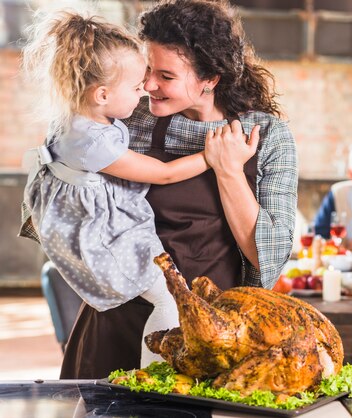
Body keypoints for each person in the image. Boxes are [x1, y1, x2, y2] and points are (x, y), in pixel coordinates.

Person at [58, 0, 297, 378]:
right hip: (118, 321)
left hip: (210, 332)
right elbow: (65, 189)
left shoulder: (265, 136)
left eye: (166, 76)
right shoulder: (127, 119)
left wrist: (229, 169)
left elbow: (267, 256)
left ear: (210, 79)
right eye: (147, 70)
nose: (149, 85)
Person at [19, 11, 219, 367]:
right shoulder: (92, 141)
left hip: (93, 220)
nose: (145, 92)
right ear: (102, 93)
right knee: (167, 300)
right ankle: (153, 376)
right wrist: (213, 157)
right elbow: (165, 174)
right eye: (137, 87)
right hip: (103, 236)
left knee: (164, 298)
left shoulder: (79, 114)